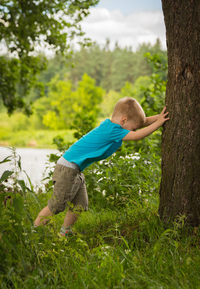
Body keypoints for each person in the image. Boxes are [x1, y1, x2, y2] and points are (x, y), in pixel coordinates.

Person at [34, 97, 169, 236]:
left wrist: (160, 116)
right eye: (133, 127)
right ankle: (35, 232)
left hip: (75, 169)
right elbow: (136, 135)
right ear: (123, 121)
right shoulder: (113, 130)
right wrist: (159, 123)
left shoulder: (115, 126)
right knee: (57, 205)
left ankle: (64, 233)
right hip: (67, 168)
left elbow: (141, 123)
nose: (134, 129)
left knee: (79, 205)